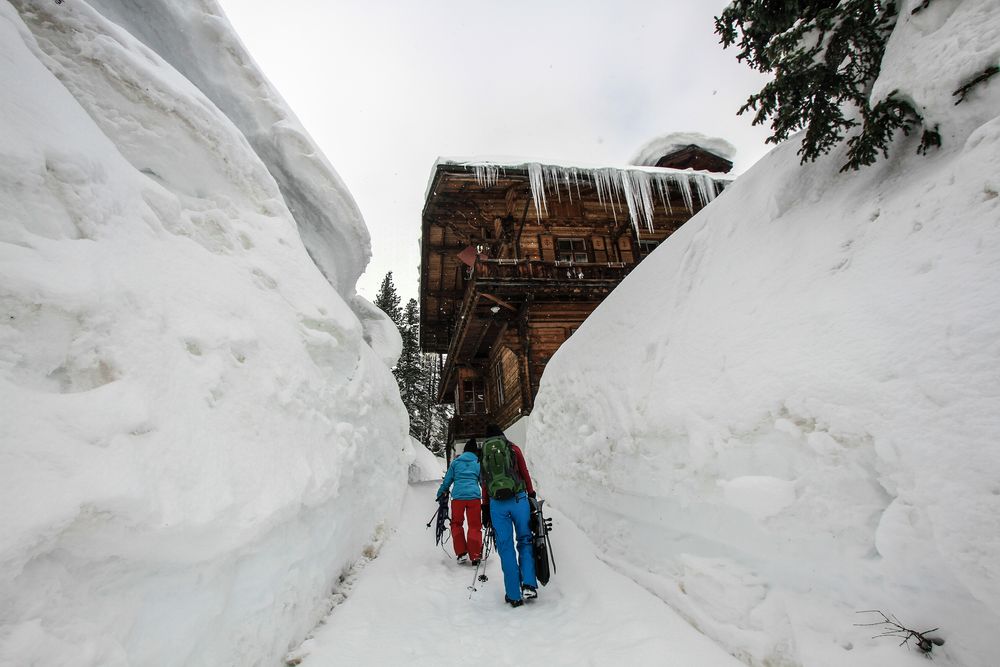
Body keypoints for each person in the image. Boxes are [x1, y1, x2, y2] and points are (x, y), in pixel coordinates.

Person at [480, 424, 537, 608]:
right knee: (525, 540)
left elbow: (484, 482)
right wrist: (531, 494)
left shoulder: (484, 454)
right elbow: (524, 472)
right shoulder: (512, 448)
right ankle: (528, 583)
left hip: (497, 504)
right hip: (519, 499)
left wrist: (485, 507)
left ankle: (513, 594)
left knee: (506, 547)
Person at [436, 439, 483, 565]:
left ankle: (461, 552)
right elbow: (483, 482)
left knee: (456, 524)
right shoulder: (478, 462)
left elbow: (447, 481)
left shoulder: (456, 463)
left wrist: (440, 493)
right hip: (474, 498)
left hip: (458, 498)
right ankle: (475, 556)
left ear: (464, 450)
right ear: (475, 451)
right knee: (475, 525)